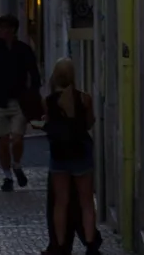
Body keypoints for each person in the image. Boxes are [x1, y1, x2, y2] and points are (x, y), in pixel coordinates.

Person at [0, 14, 41, 192]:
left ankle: (17, 164)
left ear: (13, 30)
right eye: (0, 28)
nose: (2, 31)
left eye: (5, 28)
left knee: (18, 137)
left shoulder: (24, 50)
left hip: (19, 100)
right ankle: (7, 176)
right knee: (3, 140)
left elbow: (34, 74)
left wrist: (33, 94)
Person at [45, 59, 99, 253]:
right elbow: (89, 123)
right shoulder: (85, 99)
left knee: (61, 202)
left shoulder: (50, 101)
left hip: (59, 155)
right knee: (86, 202)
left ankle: (59, 245)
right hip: (81, 152)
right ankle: (91, 244)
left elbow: (50, 125)